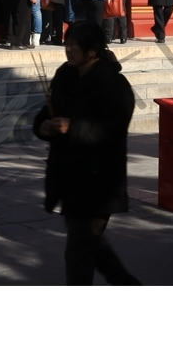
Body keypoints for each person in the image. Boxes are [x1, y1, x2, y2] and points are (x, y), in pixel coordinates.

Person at [33, 19, 140, 285]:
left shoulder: (115, 85)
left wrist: (73, 127)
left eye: (74, 46)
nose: (68, 50)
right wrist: (44, 126)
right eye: (67, 44)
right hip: (69, 176)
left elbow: (112, 131)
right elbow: (47, 112)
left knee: (79, 250)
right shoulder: (65, 75)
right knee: (93, 247)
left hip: (100, 179)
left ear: (93, 51)